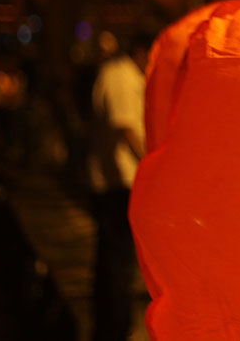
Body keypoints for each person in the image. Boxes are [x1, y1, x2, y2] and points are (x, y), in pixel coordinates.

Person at [88, 31, 151, 341]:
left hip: (117, 181)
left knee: (113, 260)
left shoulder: (122, 76)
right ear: (142, 50)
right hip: (118, 182)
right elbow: (127, 130)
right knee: (116, 261)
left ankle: (110, 324)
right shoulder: (121, 77)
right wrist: (154, 167)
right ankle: (114, 326)